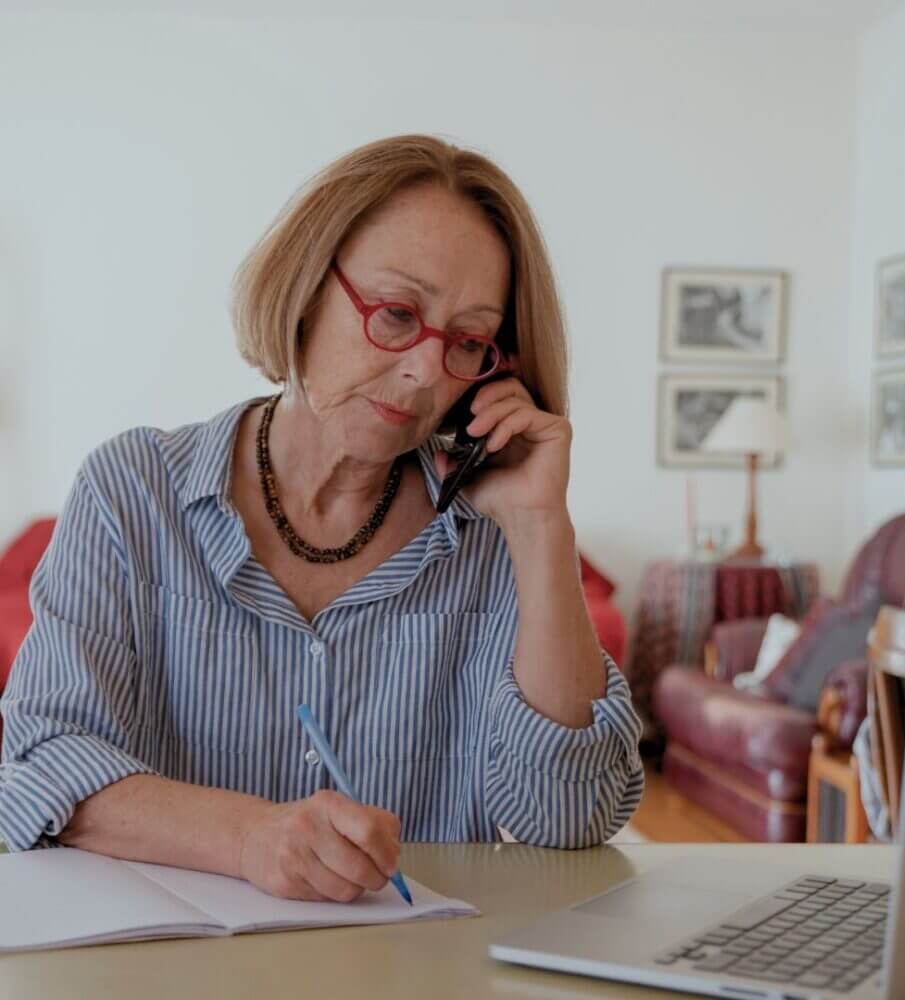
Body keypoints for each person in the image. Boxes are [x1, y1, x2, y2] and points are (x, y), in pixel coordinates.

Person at [0, 135, 643, 903]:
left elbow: (569, 817)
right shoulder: (132, 493)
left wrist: (542, 528)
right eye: (397, 314)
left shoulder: (492, 539)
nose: (425, 372)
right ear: (306, 291)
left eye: (468, 342)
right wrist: (249, 837)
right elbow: (40, 765)